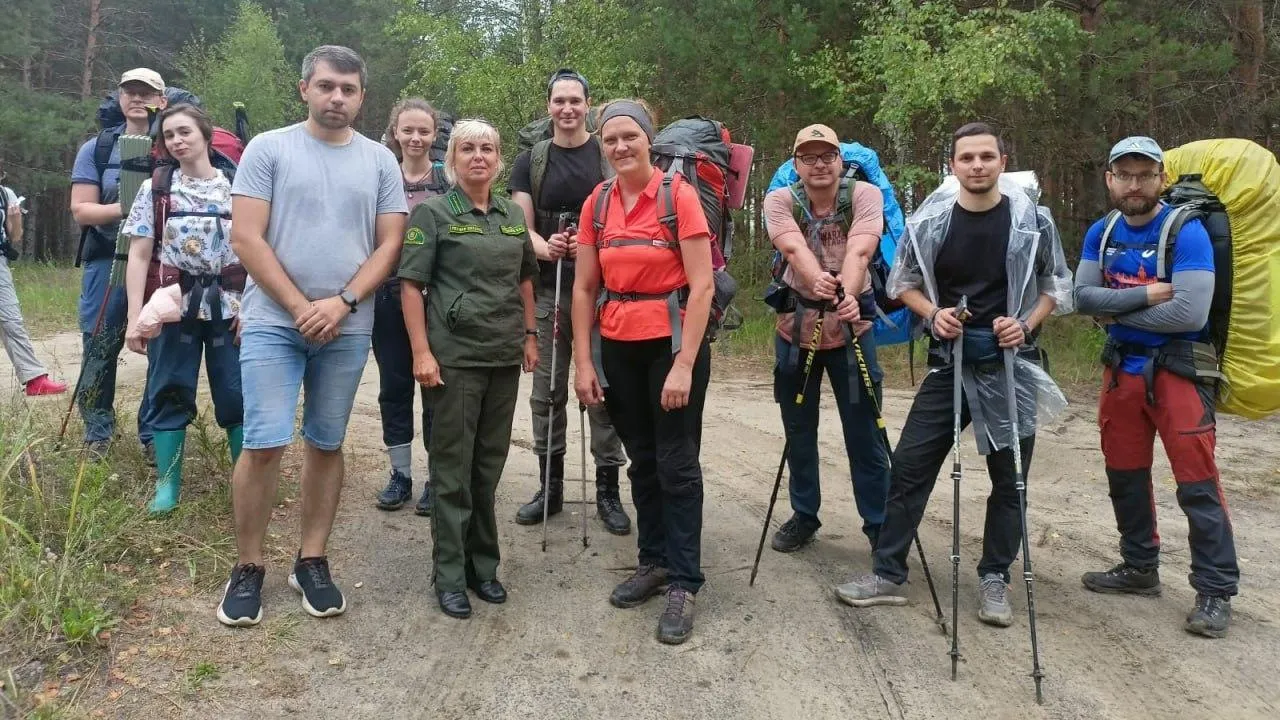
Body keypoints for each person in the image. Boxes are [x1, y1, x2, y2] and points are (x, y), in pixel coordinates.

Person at [834, 123, 1073, 628]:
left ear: (1003, 162)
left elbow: (1055, 285)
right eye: (967, 158)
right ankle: (888, 572)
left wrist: (1025, 324)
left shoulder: (1033, 221)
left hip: (1012, 363)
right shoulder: (933, 220)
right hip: (951, 361)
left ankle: (994, 578)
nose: (978, 165)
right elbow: (903, 283)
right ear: (953, 165)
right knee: (911, 466)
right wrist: (933, 313)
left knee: (1011, 480)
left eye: (987, 156)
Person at [216, 46, 407, 627]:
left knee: (326, 440)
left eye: (348, 89)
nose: (337, 98)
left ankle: (312, 559)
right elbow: (247, 239)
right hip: (276, 322)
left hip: (348, 324)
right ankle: (249, 566)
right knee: (265, 441)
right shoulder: (268, 149)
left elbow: (389, 244)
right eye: (326, 86)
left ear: (361, 97)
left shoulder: (380, 162)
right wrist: (302, 306)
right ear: (304, 89)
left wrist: (343, 302)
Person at [1074, 136, 1238, 638]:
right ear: (1109, 180)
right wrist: (1148, 294)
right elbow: (1081, 298)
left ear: (1161, 178)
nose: (1134, 184)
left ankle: (1215, 589)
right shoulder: (1101, 233)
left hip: (1181, 369)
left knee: (1196, 482)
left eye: (1144, 174)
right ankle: (1140, 567)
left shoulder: (1186, 232)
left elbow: (1190, 311)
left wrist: (1115, 307)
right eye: (1124, 174)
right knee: (1124, 473)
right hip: (1122, 368)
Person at [572, 99, 715, 645]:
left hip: (672, 345)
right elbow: (585, 287)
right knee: (642, 460)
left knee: (677, 463)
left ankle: (684, 580)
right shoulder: (598, 202)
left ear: (648, 140)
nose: (620, 147)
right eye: (610, 140)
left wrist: (683, 366)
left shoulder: (679, 197)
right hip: (618, 345)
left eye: (629, 136)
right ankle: (652, 560)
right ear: (602, 147)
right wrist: (585, 361)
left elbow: (700, 286)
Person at [398, 119, 539, 619]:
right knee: (452, 471)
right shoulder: (433, 215)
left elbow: (525, 279)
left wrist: (528, 335)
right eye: (467, 149)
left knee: (488, 468)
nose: (478, 156)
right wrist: (421, 352)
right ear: (452, 159)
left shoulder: (511, 215)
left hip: (502, 357)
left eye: (487, 149)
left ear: (499, 159)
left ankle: (485, 568)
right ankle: (450, 575)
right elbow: (411, 287)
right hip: (453, 359)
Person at [508, 68, 630, 535]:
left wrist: (592, 244)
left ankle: (607, 491)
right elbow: (520, 224)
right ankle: (550, 488)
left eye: (575, 101)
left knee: (600, 387)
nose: (567, 109)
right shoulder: (531, 160)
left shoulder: (607, 153)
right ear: (548, 106)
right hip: (547, 286)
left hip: (604, 291)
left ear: (588, 105)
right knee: (547, 391)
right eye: (559, 101)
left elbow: (627, 211)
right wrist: (547, 247)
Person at [763, 124, 889, 554]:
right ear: (795, 164)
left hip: (855, 327)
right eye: (808, 157)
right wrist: (826, 286)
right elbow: (794, 250)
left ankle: (878, 524)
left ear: (840, 160)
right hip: (796, 330)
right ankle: (804, 514)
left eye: (826, 156)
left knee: (865, 432)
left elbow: (860, 250)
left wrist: (847, 296)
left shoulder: (865, 196)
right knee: (799, 428)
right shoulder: (780, 200)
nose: (818, 164)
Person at [120, 104, 243, 514]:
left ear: (206, 135)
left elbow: (260, 247)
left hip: (230, 304)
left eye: (185, 132)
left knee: (236, 392)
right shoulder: (156, 188)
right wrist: (135, 317)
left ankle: (246, 485)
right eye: (169, 135)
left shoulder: (238, 185)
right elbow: (139, 255)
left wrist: (254, 307)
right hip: (172, 304)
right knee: (168, 388)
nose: (177, 141)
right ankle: (167, 486)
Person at [70, 68, 164, 458]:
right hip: (106, 260)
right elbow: (81, 210)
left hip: (160, 264)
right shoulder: (98, 148)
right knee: (99, 344)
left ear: (162, 99)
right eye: (131, 92)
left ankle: (154, 433)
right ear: (120, 97)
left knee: (161, 349)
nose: (138, 99)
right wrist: (127, 207)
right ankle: (97, 433)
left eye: (147, 93)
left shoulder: (172, 143)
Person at [372, 98, 449, 515]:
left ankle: (438, 477)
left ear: (434, 135)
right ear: (395, 132)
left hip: (436, 297)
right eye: (408, 130)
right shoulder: (381, 176)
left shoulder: (447, 179)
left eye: (424, 131)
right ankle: (400, 475)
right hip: (388, 293)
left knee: (437, 385)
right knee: (394, 386)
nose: (416, 138)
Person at [0, 173, 67, 396]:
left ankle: (34, 378)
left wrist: (15, 217)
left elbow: (15, 236)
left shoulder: (5, 194)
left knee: (11, 320)